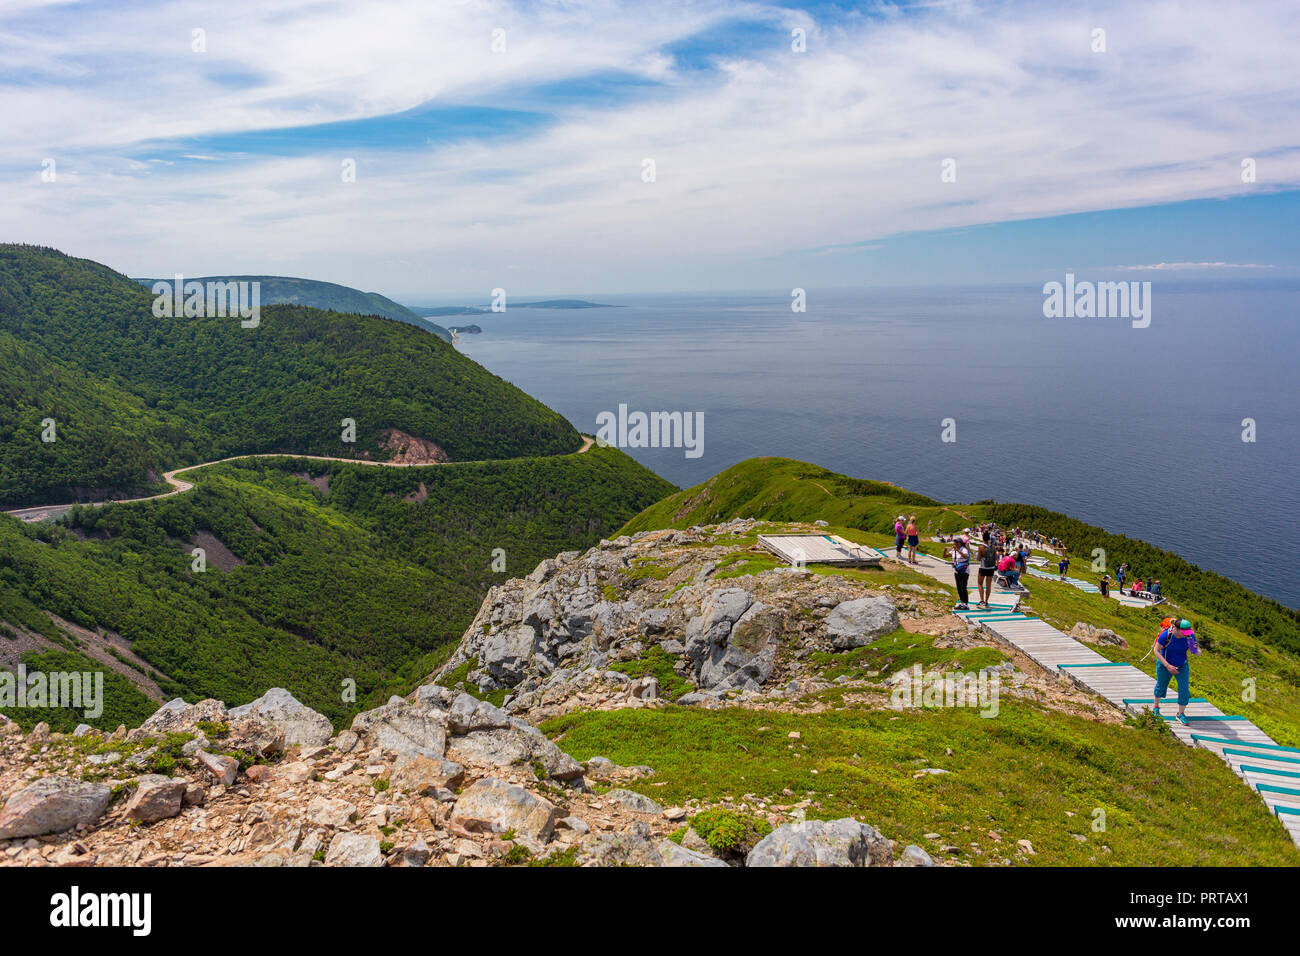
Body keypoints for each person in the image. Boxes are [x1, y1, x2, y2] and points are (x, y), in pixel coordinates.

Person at [1153, 619, 1197, 725]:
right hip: (1165, 664)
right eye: (1184, 632)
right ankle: (1156, 707)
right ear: (1176, 629)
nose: (1185, 635)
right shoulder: (1166, 635)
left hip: (1182, 665)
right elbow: (1156, 650)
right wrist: (1168, 666)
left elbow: (1196, 652)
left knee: (1184, 690)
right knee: (1161, 685)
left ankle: (1180, 713)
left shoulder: (1189, 636)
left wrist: (1196, 650)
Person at [976, 533, 997, 608]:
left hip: (983, 567)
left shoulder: (981, 547)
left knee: (980, 583)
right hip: (991, 568)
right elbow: (995, 558)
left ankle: (981, 600)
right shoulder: (994, 547)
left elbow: (978, 559)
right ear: (989, 539)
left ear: (983, 539)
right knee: (988, 585)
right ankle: (987, 601)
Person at [951, 534, 971, 610]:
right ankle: (962, 603)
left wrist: (958, 551)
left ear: (961, 543)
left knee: (963, 587)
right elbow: (946, 555)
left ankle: (966, 604)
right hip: (957, 570)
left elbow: (966, 557)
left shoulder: (964, 549)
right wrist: (945, 550)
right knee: (959, 587)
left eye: (957, 542)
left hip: (964, 571)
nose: (956, 544)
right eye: (955, 542)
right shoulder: (954, 550)